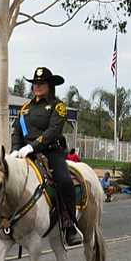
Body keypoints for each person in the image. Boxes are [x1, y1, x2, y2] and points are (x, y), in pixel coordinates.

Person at [11, 67, 83, 246]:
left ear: (50, 85)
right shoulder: (25, 108)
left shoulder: (58, 106)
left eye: (41, 83)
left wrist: (32, 146)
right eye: (35, 83)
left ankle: (69, 225)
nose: (37, 86)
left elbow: (52, 131)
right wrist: (15, 149)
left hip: (52, 152)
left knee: (64, 180)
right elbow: (17, 131)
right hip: (26, 153)